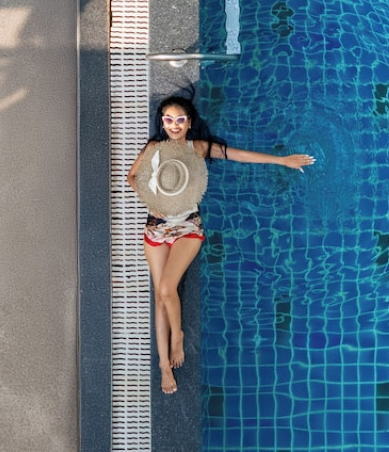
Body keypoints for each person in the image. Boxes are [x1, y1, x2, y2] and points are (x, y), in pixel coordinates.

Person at [127, 95, 315, 394]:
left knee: (165, 289)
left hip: (188, 228)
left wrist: (281, 160)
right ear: (162, 122)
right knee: (160, 298)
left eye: (180, 120)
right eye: (168, 119)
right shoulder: (153, 149)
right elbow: (133, 176)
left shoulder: (198, 148)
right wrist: (150, 201)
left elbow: (237, 155)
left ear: (189, 123)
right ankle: (163, 365)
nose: (174, 125)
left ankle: (178, 335)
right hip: (156, 229)